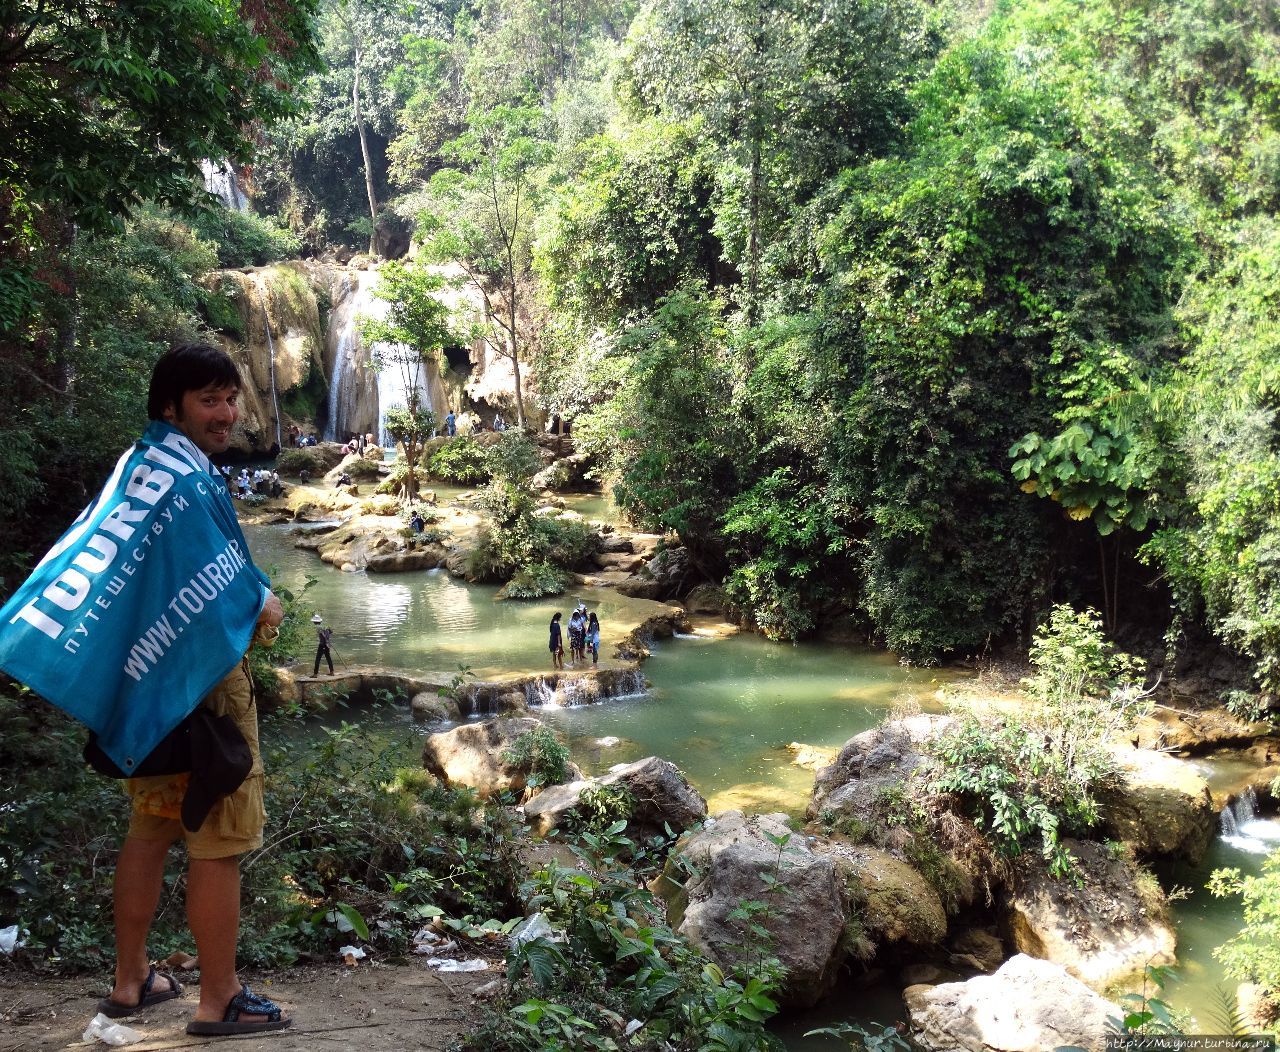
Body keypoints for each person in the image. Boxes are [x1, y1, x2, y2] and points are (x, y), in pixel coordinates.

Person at [0, 343, 291, 1035]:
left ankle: (131, 981)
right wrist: (264, 604)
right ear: (171, 406)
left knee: (151, 829)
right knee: (218, 840)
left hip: (150, 686)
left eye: (231, 398)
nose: (227, 414)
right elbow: (231, 595)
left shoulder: (141, 466)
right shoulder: (188, 482)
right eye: (209, 401)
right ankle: (219, 999)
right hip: (204, 687)